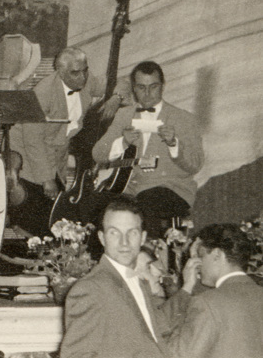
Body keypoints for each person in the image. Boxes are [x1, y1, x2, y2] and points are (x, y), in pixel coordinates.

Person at [60, 197, 195, 358]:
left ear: (143, 238)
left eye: (132, 233)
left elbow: (159, 325)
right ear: (102, 238)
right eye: (114, 233)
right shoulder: (90, 288)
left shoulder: (138, 282)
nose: (124, 242)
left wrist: (187, 287)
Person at [8, 47, 121, 236]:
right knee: (39, 219)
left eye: (85, 70)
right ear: (60, 72)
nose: (82, 78)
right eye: (75, 73)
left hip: (54, 154)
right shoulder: (43, 92)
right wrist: (47, 179)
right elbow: (33, 141)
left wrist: (117, 97)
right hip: (28, 158)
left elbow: (118, 83)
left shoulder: (85, 79)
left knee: (57, 216)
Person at [92, 61, 203, 237]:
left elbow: (195, 164)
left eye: (153, 86)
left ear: (163, 86)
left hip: (172, 188)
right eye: (141, 87)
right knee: (98, 205)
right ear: (134, 89)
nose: (147, 93)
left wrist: (174, 144)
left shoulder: (183, 118)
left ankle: (148, 259)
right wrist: (123, 142)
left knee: (147, 203)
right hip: (131, 189)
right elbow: (98, 153)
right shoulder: (124, 115)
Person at [165, 223, 263, 358]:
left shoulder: (207, 303)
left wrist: (186, 287)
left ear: (217, 254)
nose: (198, 263)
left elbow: (177, 354)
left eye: (201, 256)